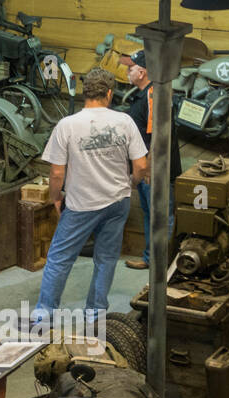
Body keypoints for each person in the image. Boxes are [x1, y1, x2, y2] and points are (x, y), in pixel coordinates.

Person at [34, 67, 148, 327]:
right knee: (106, 258)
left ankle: (45, 313)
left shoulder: (67, 125)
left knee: (60, 259)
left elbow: (56, 172)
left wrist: (56, 197)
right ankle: (95, 312)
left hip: (81, 204)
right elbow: (141, 166)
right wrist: (129, 185)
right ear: (109, 94)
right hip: (117, 202)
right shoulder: (125, 121)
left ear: (85, 93)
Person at [118, 51, 181, 271]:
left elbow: (157, 136)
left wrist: (150, 170)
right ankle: (151, 259)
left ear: (142, 72)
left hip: (156, 171)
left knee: (162, 216)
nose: (127, 72)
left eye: (130, 68)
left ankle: (162, 263)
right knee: (150, 213)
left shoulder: (153, 94)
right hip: (146, 169)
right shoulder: (142, 94)